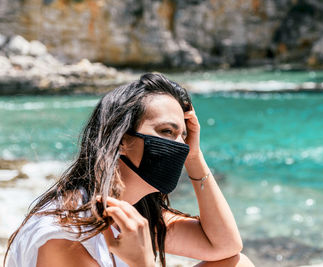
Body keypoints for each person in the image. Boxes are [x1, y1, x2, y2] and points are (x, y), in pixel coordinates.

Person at [4, 73, 254, 267]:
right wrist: (142, 262)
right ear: (122, 139)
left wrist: (195, 157)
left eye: (184, 137)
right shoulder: (65, 238)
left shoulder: (126, 212)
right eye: (167, 132)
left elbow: (225, 246)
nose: (180, 147)